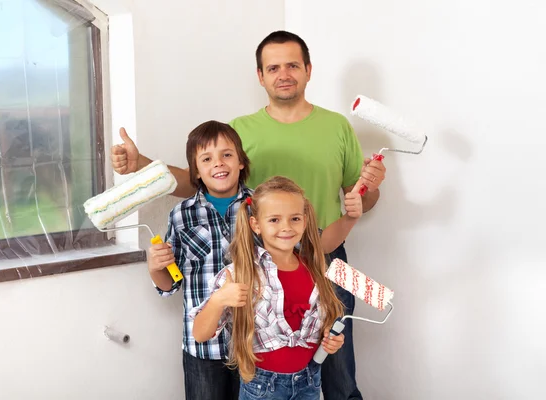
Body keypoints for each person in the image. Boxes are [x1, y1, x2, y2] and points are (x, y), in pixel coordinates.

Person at [111, 31, 387, 400]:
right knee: (268, 362)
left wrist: (366, 192)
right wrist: (141, 165)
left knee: (338, 370)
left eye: (292, 65)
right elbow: (201, 182)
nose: (283, 73)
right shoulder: (241, 130)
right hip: (263, 261)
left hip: (327, 249)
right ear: (260, 75)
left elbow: (361, 199)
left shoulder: (337, 126)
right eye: (273, 67)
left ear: (308, 70)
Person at [190, 176, 363, 400]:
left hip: (309, 382)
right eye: (274, 220)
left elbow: (323, 322)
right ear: (256, 225)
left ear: (305, 220)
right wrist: (218, 300)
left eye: (295, 219)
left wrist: (332, 339)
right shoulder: (240, 274)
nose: (286, 228)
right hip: (262, 387)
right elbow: (200, 334)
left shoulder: (317, 269)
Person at [147, 120, 251, 400]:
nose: (218, 163)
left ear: (241, 161)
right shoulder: (181, 215)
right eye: (207, 158)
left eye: (227, 154)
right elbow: (169, 286)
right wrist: (156, 267)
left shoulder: (261, 208)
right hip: (204, 350)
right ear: (196, 171)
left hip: (255, 343)